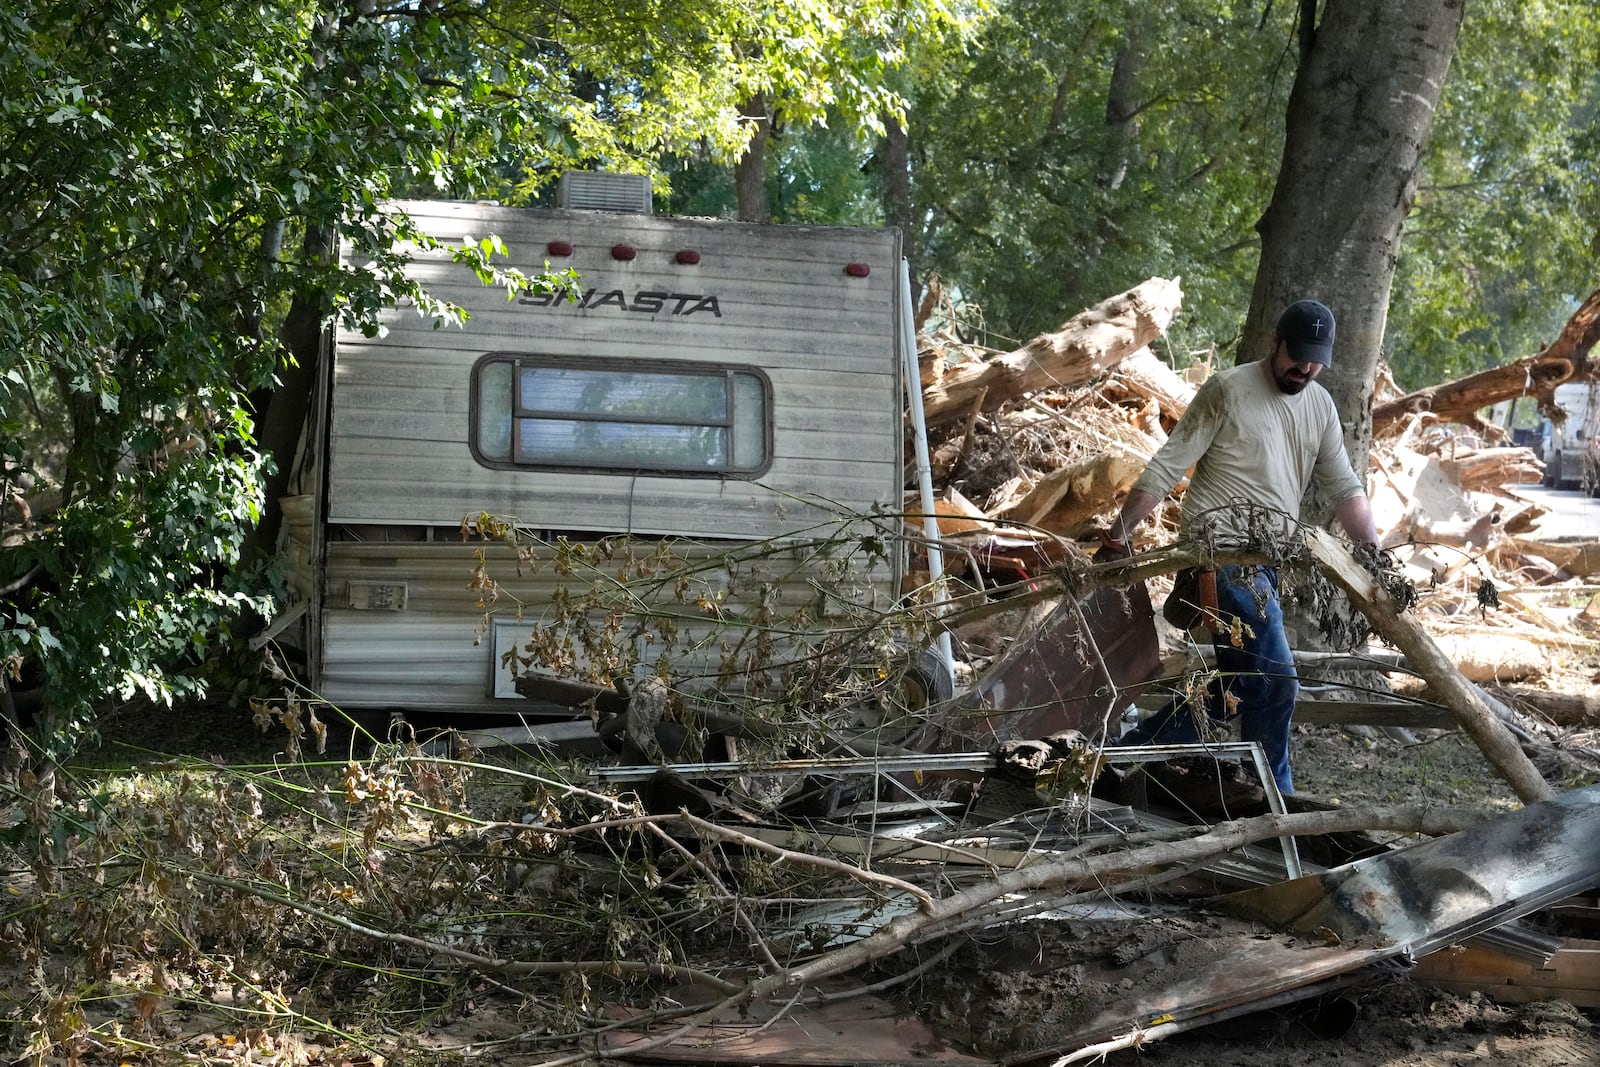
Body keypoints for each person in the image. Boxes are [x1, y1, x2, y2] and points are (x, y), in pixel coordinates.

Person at [1098, 298, 1381, 796]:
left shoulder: (1319, 406)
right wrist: (1120, 534)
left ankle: (1125, 752)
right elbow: (1167, 466)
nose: (1306, 368)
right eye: (1297, 356)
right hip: (1217, 560)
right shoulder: (1228, 390)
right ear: (1275, 343)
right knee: (1278, 681)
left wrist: (1375, 555)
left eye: (1317, 360)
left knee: (1237, 684)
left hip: (1266, 566)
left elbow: (1346, 489)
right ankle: (1279, 796)